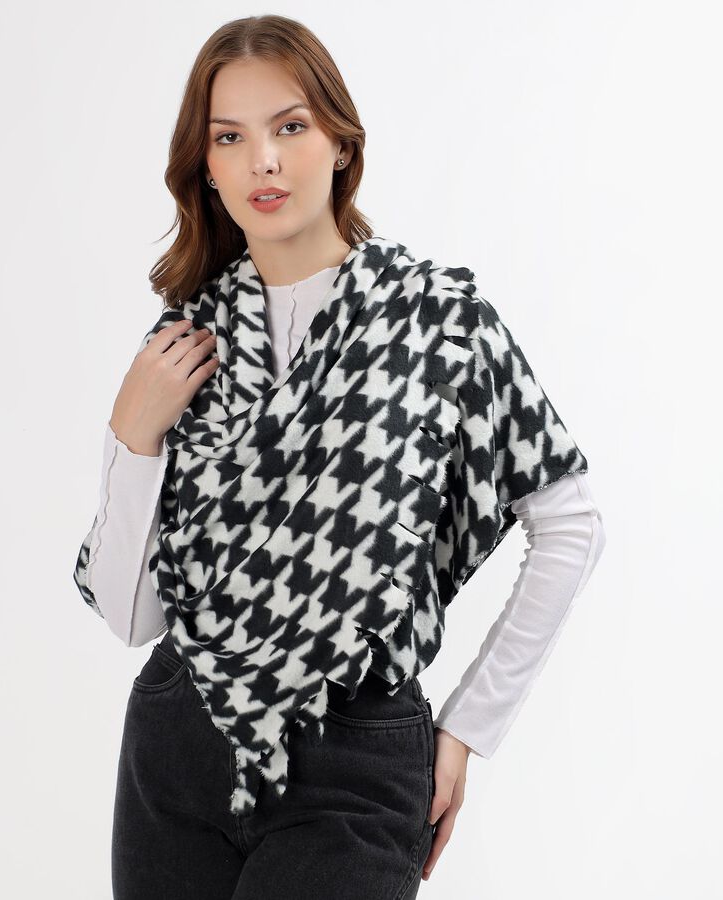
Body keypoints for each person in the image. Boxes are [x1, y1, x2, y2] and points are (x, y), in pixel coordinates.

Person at [73, 14, 606, 899]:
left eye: (290, 127)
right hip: (179, 746)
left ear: (340, 141)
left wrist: (467, 729)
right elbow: (133, 620)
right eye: (230, 138)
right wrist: (132, 438)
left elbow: (571, 524)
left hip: (354, 756)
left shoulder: (436, 324)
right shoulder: (184, 342)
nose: (264, 162)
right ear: (206, 167)